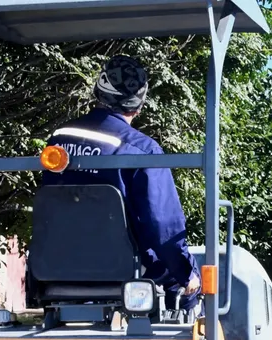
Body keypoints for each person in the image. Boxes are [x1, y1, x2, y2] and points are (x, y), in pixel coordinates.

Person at [41, 55, 200, 310]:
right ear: (138, 104)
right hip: (123, 266)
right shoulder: (141, 149)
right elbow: (162, 224)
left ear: (99, 90)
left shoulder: (58, 140)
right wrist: (187, 273)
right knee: (189, 287)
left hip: (57, 262)